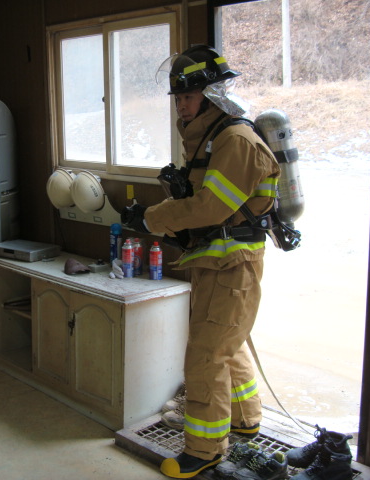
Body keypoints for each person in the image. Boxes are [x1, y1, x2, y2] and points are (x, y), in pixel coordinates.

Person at [121, 45, 281, 478]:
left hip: (234, 265)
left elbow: (212, 207)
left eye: (188, 96)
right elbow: (203, 205)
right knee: (226, 345)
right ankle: (244, 421)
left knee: (206, 357)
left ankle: (204, 450)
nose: (181, 105)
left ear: (211, 95)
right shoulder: (212, 139)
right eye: (178, 98)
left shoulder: (236, 141)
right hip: (218, 262)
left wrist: (152, 218)